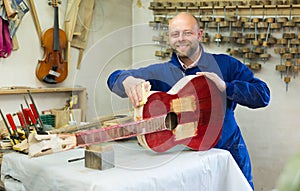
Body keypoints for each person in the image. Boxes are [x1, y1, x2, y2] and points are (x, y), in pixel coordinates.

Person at [107, 12, 270, 190]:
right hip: (185, 161)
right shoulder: (160, 72)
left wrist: (226, 87)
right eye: (175, 34)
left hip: (228, 152)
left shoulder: (226, 65)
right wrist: (126, 80)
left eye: (187, 33)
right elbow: (113, 78)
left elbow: (263, 95)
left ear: (199, 35)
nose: (181, 39)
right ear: (169, 38)